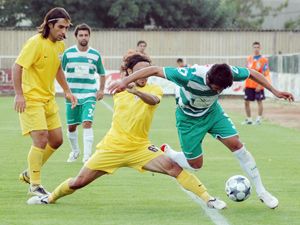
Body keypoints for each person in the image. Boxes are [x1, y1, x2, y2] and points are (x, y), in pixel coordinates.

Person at [27, 53, 226, 210]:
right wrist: (124, 82)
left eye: (147, 71)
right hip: (112, 148)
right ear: (130, 72)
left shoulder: (153, 89)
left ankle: (209, 198)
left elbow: (154, 101)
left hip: (140, 148)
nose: (144, 75)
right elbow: (117, 82)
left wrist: (136, 90)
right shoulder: (119, 89)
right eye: (139, 71)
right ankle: (49, 198)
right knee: (79, 182)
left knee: (173, 168)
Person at [108, 63, 294, 209]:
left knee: (237, 144)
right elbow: (154, 70)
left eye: (222, 89)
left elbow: (252, 73)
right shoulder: (189, 76)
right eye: (216, 88)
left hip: (213, 113)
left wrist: (275, 91)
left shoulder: (226, 72)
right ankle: (171, 153)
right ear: (208, 79)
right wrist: (124, 82)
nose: (218, 91)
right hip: (188, 120)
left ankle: (262, 192)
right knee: (196, 165)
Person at [13, 7, 77, 196]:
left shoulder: (60, 46)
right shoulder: (35, 43)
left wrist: (67, 91)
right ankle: (35, 185)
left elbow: (57, 69)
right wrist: (19, 94)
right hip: (31, 98)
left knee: (57, 140)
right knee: (41, 137)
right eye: (61, 27)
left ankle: (29, 172)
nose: (64, 32)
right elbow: (17, 67)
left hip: (48, 99)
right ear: (49, 25)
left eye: (66, 28)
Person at [62, 23, 106, 163]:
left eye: (86, 35)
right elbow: (59, 73)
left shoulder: (95, 54)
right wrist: (65, 90)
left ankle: (87, 157)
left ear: (89, 36)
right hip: (72, 95)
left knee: (87, 122)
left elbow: (102, 74)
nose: (83, 37)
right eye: (81, 35)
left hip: (89, 94)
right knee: (71, 126)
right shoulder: (68, 54)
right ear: (76, 37)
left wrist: (101, 90)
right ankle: (75, 151)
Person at [243, 41, 271, 125]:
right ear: (253, 48)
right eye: (255, 47)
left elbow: (265, 73)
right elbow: (247, 72)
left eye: (257, 47)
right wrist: (245, 84)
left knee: (259, 101)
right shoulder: (249, 59)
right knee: (246, 101)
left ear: (260, 48)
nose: (256, 49)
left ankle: (258, 119)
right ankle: (249, 119)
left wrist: (260, 84)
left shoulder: (264, 60)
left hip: (258, 84)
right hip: (249, 84)